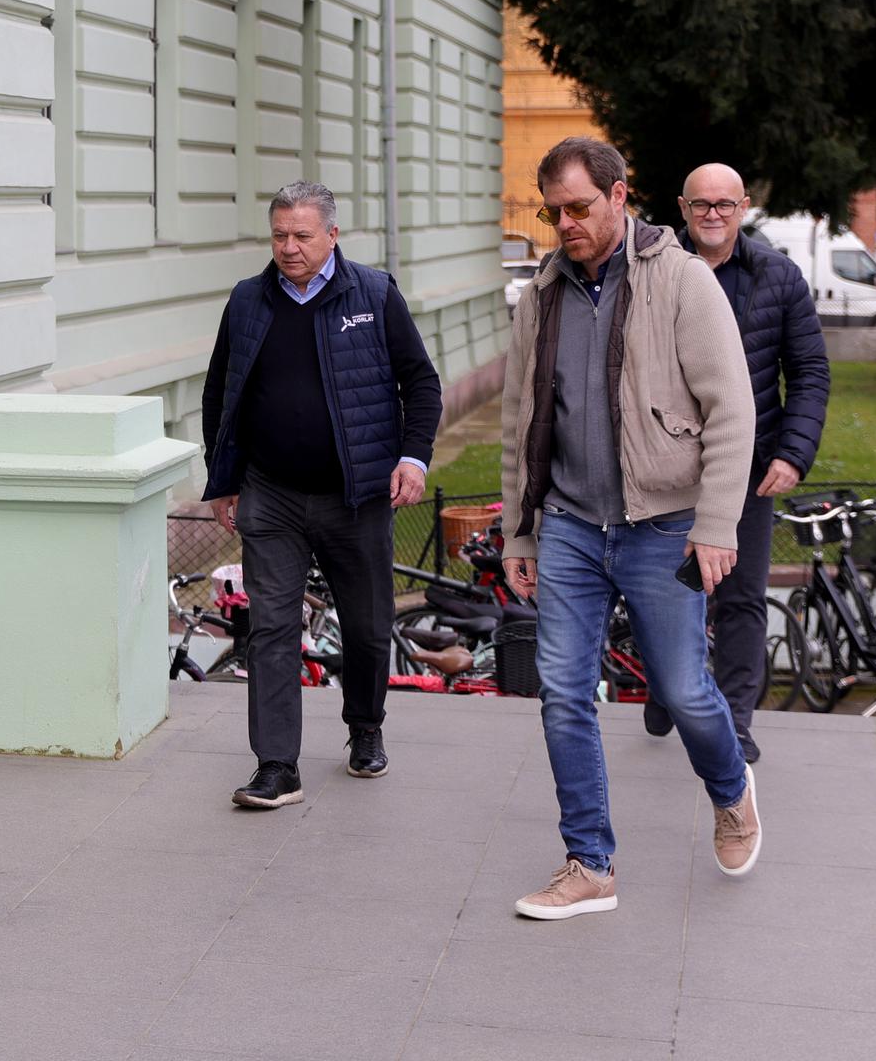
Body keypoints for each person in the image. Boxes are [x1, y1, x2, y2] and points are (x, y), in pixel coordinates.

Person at [499, 138, 761, 919]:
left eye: (579, 207)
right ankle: (589, 863)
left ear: (621, 196)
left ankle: (730, 787)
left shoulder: (680, 280)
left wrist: (716, 524)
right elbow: (521, 421)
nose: (565, 224)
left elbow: (733, 409)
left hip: (663, 524)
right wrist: (520, 532)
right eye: (553, 212)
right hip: (573, 527)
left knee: (682, 690)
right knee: (564, 696)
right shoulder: (542, 293)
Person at [201, 180, 442, 808]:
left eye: (302, 236)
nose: (288, 248)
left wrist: (413, 458)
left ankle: (365, 726)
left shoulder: (374, 293)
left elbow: (421, 383)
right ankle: (277, 766)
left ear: (332, 235)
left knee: (366, 627)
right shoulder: (248, 300)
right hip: (272, 495)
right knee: (273, 628)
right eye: (279, 235)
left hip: (356, 496)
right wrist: (223, 479)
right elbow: (220, 394)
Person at [639, 164, 830, 760]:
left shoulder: (778, 276)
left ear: (743, 206)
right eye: (701, 204)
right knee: (662, 593)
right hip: (665, 466)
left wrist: (794, 454)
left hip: (747, 469)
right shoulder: (654, 273)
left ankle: (734, 723)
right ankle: (670, 688)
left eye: (724, 204)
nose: (713, 214)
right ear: (683, 207)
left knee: (741, 598)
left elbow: (808, 374)